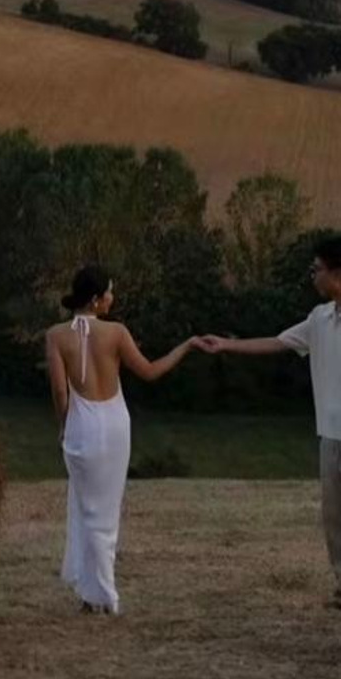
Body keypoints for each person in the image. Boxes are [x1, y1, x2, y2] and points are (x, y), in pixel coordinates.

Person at [198, 236, 341, 608]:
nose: (313, 276)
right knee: (333, 515)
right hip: (331, 434)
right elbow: (278, 342)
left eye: (317, 269)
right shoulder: (320, 318)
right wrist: (227, 345)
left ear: (337, 273)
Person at [45, 266, 198, 615]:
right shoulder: (116, 332)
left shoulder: (55, 335)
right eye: (109, 292)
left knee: (85, 507)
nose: (112, 298)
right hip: (114, 423)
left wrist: (64, 424)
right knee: (105, 511)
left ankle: (93, 593)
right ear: (96, 300)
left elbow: (59, 390)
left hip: (81, 425)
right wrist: (186, 346)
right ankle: (99, 593)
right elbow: (150, 371)